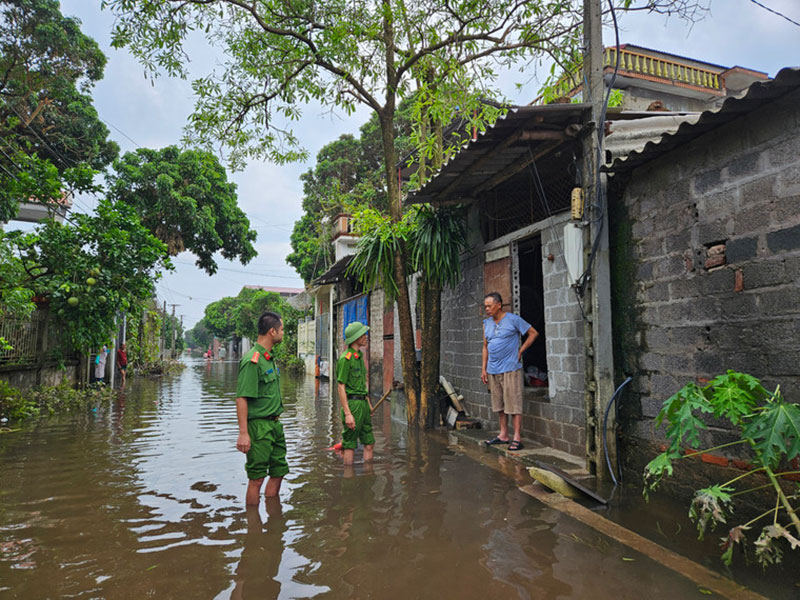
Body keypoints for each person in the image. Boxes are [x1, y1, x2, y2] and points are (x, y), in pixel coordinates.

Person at [235, 311, 288, 505]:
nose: (284, 333)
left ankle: (273, 517)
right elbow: (241, 398)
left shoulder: (269, 358)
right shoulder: (252, 360)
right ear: (272, 331)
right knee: (256, 478)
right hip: (259, 428)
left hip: (275, 425)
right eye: (282, 329)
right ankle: (254, 530)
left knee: (279, 471)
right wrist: (243, 433)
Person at [481, 292, 539, 451]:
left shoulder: (513, 320)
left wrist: (521, 351)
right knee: (499, 404)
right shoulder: (487, 324)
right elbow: (485, 347)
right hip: (493, 370)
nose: (487, 309)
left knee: (514, 403)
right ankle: (503, 435)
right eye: (485, 306)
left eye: (489, 305)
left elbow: (533, 333)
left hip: (511, 368)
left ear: (499, 305)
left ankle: (517, 438)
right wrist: (483, 368)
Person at [337, 321, 374, 466]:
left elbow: (362, 384)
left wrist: (368, 404)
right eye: (363, 334)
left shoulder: (359, 356)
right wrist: (347, 413)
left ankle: (368, 475)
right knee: (350, 444)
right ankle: (348, 480)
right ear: (357, 338)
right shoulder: (345, 359)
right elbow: (341, 386)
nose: (366, 337)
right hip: (352, 405)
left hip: (363, 404)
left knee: (369, 442)